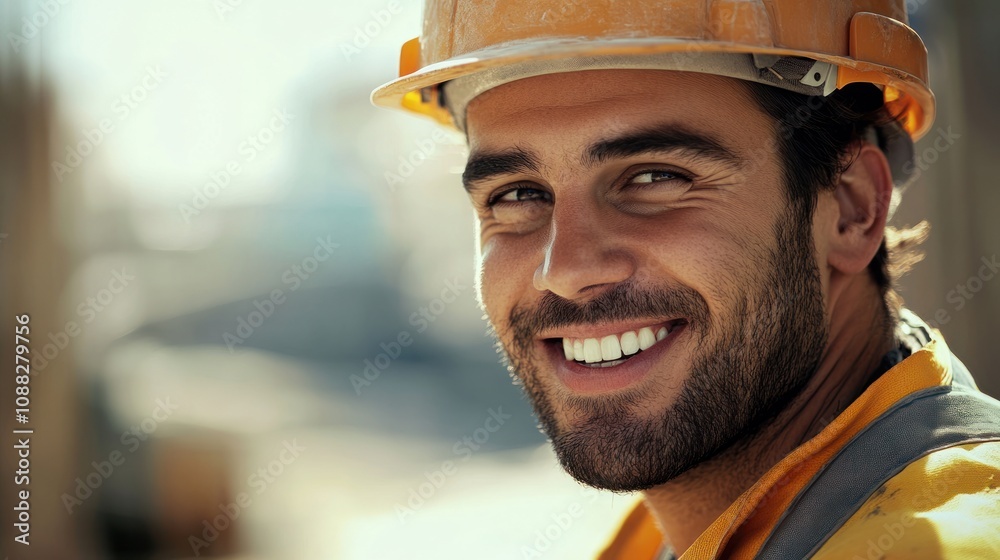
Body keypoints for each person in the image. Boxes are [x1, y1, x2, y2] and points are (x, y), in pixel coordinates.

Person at [372, 1, 1000, 557]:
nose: (564, 271)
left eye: (653, 178)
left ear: (851, 207)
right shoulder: (681, 531)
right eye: (516, 194)